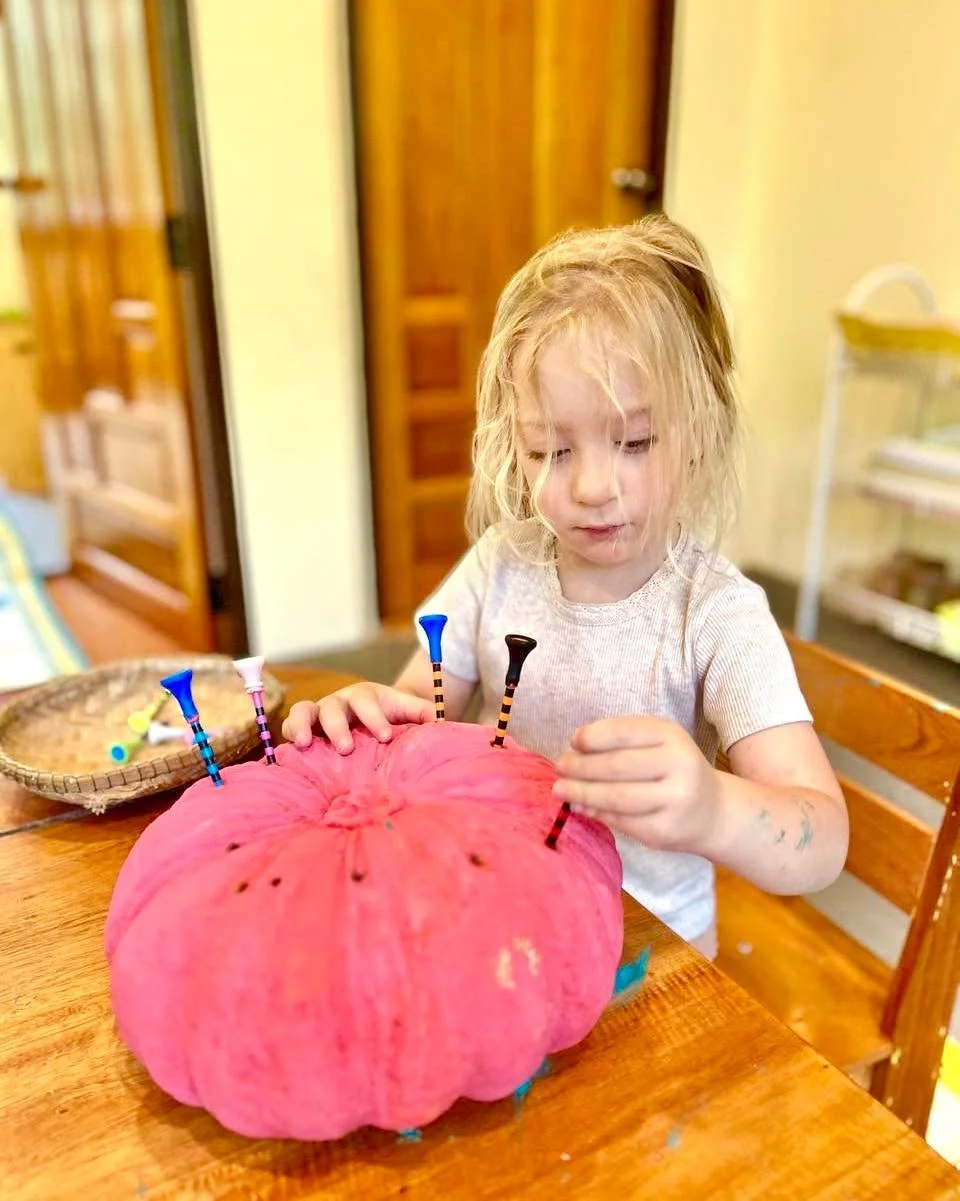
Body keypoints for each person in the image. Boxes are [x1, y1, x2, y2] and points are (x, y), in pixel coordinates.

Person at [283, 214, 847, 958]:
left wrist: (714, 808)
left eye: (635, 441)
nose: (589, 486)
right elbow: (420, 717)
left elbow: (822, 838)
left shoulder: (716, 615)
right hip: (493, 919)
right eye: (550, 447)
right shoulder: (499, 563)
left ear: (700, 429)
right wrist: (369, 725)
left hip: (650, 957)